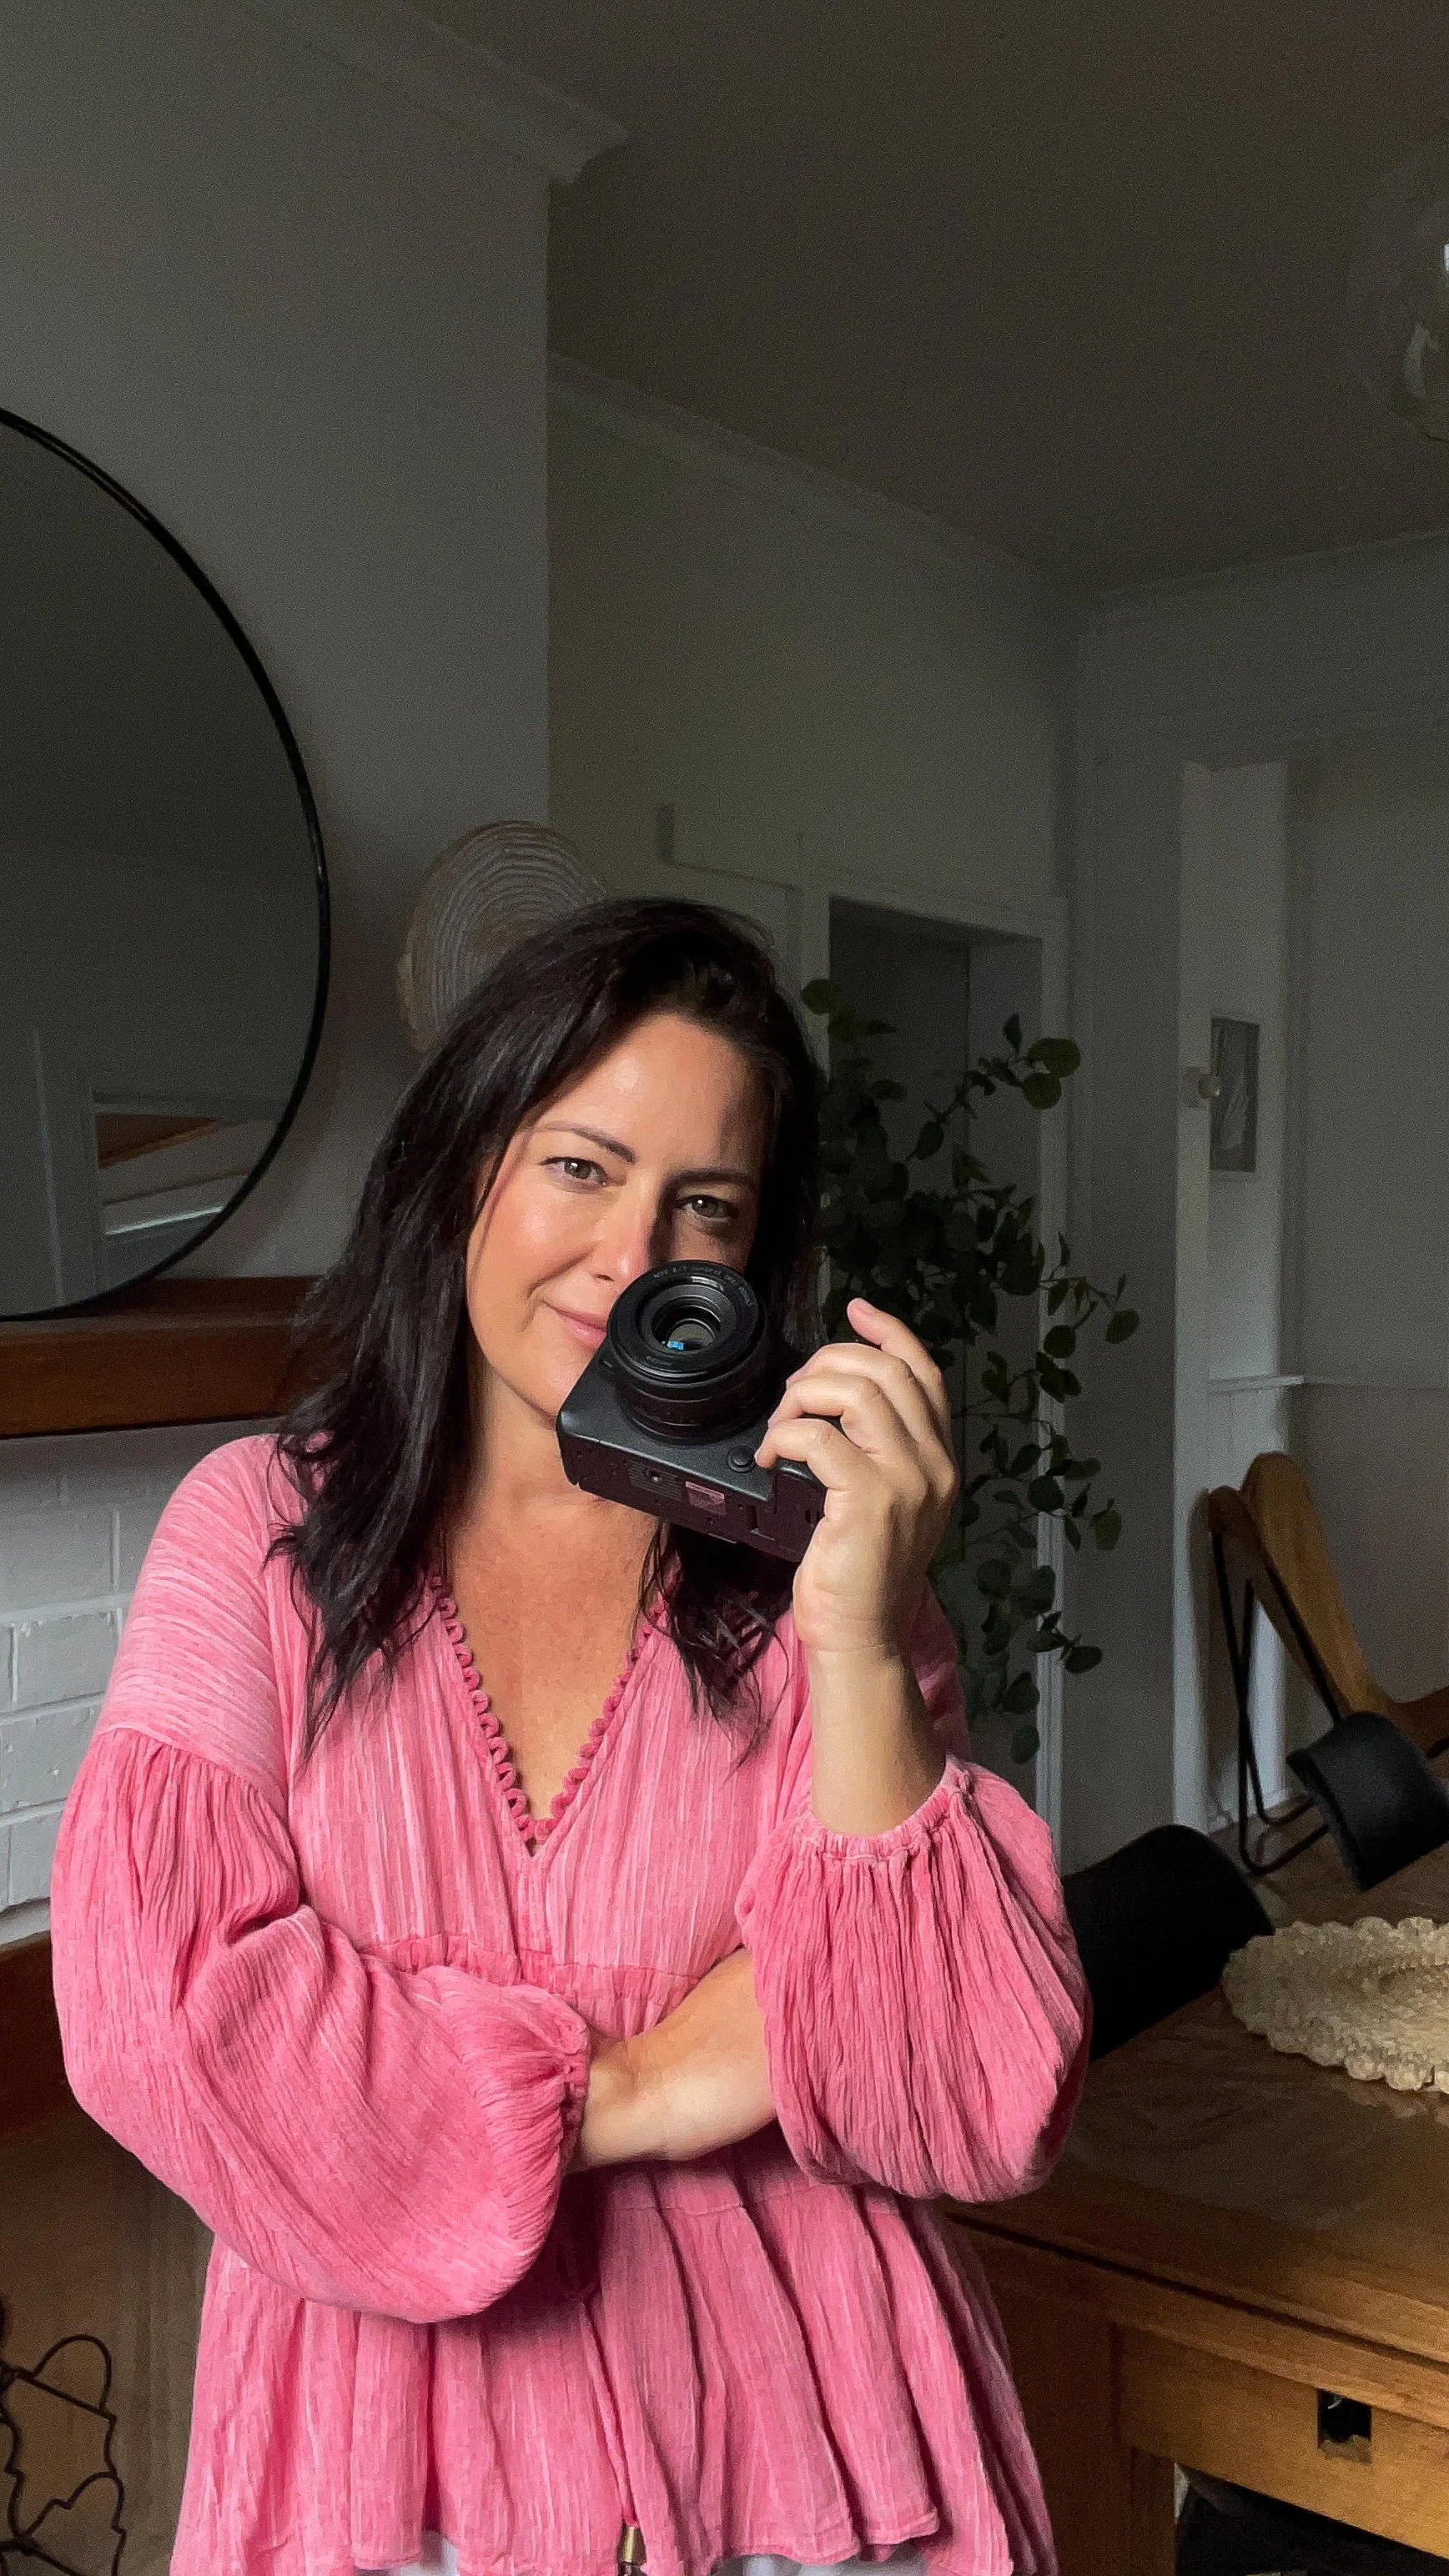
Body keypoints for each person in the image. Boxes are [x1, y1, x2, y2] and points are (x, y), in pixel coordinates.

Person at [50, 898, 1089, 2576]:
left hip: (816, 2459)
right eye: (582, 1167)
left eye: (705, 1205)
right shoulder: (255, 1537)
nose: (631, 1256)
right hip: (384, 2473)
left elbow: (962, 2095)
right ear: (465, 1168)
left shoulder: (826, 1575)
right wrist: (646, 2082)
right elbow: (161, 2019)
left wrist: (852, 1626)